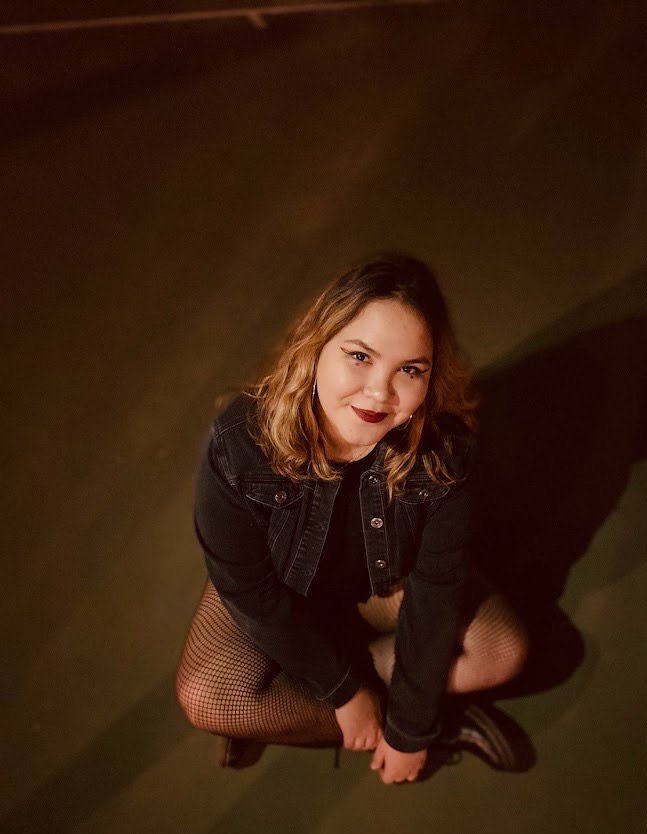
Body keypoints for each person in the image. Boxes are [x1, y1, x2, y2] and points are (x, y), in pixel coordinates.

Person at [176, 253, 529, 784]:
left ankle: (289, 708)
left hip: (383, 583)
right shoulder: (240, 440)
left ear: (430, 378)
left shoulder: (445, 454)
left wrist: (411, 728)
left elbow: (434, 591)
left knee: (501, 652)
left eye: (410, 370)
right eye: (360, 356)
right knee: (209, 697)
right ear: (316, 346)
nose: (379, 393)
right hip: (276, 583)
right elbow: (249, 592)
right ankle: (306, 705)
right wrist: (343, 691)